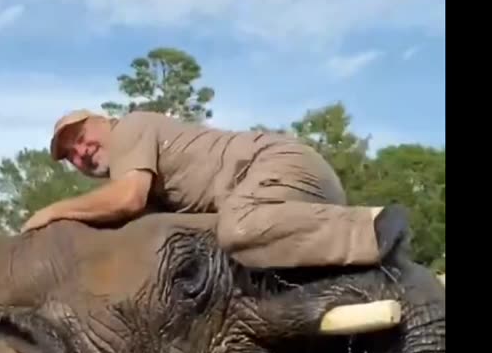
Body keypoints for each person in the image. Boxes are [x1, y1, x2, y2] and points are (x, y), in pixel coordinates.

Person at [23, 109, 408, 270]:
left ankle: (370, 229)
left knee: (238, 227)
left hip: (279, 168)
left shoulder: (131, 129)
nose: (80, 151)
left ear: (102, 121)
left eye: (81, 137)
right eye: (70, 154)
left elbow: (127, 199)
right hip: (281, 196)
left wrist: (52, 212)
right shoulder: (137, 173)